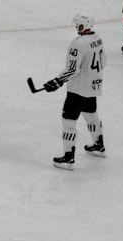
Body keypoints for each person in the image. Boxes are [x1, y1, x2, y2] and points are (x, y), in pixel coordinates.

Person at [42, 13, 106, 166]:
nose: (77, 27)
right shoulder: (97, 39)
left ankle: (68, 158)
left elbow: (72, 69)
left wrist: (56, 81)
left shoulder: (78, 44)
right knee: (92, 117)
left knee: (68, 123)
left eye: (78, 25)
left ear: (83, 26)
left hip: (77, 90)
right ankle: (99, 146)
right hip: (93, 87)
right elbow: (103, 61)